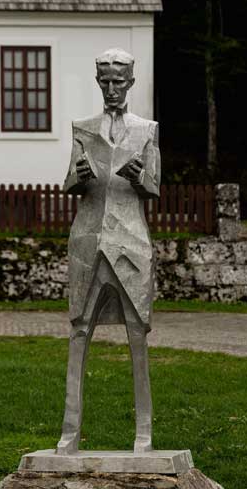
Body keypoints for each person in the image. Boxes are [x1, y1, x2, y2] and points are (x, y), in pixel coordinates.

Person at [57, 48, 160, 455]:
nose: (112, 89)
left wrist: (140, 177)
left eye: (119, 82)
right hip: (87, 242)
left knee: (138, 337)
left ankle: (144, 434)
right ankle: (69, 433)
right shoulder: (82, 129)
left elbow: (154, 187)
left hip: (131, 243)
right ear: (98, 83)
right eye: (106, 82)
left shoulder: (147, 129)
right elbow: (69, 181)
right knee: (79, 333)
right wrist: (75, 177)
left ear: (131, 83)